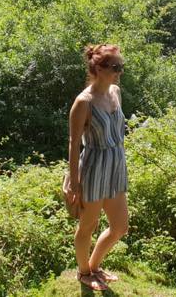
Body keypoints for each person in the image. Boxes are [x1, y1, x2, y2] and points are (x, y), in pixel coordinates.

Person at [64, 43, 129, 291]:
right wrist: (74, 181)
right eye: (115, 67)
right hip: (93, 167)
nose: (119, 71)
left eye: (121, 66)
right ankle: (83, 273)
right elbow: (73, 144)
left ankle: (94, 266)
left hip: (116, 164)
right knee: (88, 225)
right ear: (99, 68)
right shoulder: (84, 102)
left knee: (120, 226)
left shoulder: (115, 92)